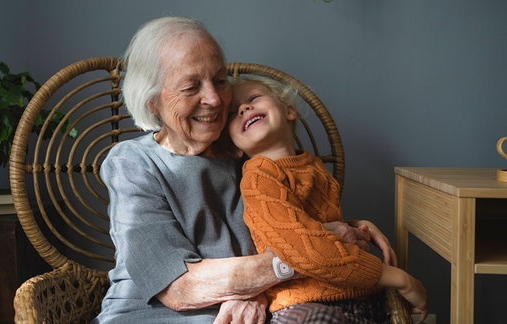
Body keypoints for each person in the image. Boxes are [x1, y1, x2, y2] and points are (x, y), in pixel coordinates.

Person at [94, 16, 391, 323]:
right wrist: (305, 255)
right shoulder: (132, 163)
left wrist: (353, 228)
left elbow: (290, 222)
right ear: (152, 101)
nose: (213, 99)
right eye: (191, 86)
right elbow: (179, 287)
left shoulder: (252, 156)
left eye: (220, 81)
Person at [227, 75, 428, 323]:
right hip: (302, 304)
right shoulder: (259, 178)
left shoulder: (312, 165)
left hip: (357, 295)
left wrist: (357, 226)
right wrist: (398, 278)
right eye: (233, 112)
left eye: (253, 98)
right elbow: (304, 247)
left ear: (289, 110)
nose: (244, 109)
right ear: (235, 146)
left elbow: (320, 223)